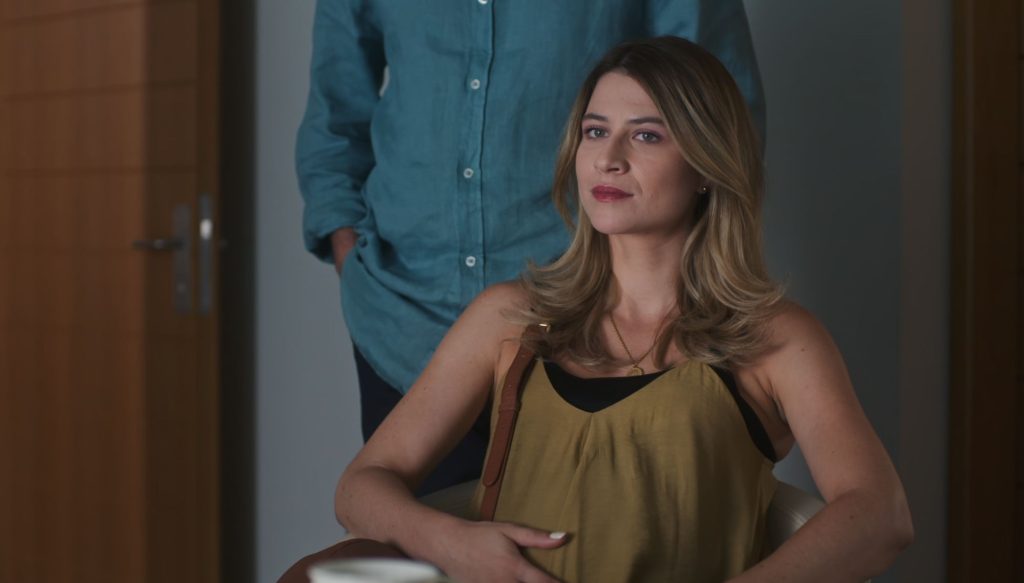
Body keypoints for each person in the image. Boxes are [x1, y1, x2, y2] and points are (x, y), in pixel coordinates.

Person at [314, 37, 914, 583]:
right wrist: (452, 543)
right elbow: (359, 488)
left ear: (706, 165)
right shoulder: (508, 317)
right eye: (595, 131)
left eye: (646, 135)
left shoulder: (775, 337)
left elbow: (879, 515)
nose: (608, 158)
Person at [295, 0, 765, 494]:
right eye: (596, 132)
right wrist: (347, 252)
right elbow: (334, 109)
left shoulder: (784, 343)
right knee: (413, 531)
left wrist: (661, 296)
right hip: (400, 309)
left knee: (599, 528)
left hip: (584, 326)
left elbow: (720, 112)